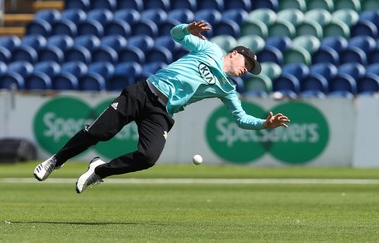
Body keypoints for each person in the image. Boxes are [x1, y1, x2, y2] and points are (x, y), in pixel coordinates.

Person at [33, 21, 290, 193]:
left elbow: (241, 118)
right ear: (234, 53)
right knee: (98, 133)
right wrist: (187, 28)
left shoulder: (228, 89)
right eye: (247, 63)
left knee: (148, 158)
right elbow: (175, 35)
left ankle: (98, 170)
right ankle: (56, 160)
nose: (247, 70)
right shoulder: (209, 49)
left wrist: (264, 124)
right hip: (143, 92)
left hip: (161, 112)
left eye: (250, 70)